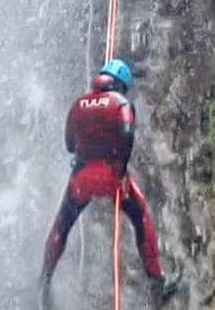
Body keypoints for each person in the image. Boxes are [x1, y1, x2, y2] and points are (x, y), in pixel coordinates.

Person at [41, 57, 169, 289]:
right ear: (121, 84)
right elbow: (127, 133)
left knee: (62, 224)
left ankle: (44, 280)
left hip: (81, 179)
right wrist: (120, 170)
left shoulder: (78, 105)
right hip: (111, 175)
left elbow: (70, 144)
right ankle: (156, 281)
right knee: (140, 217)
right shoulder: (120, 103)